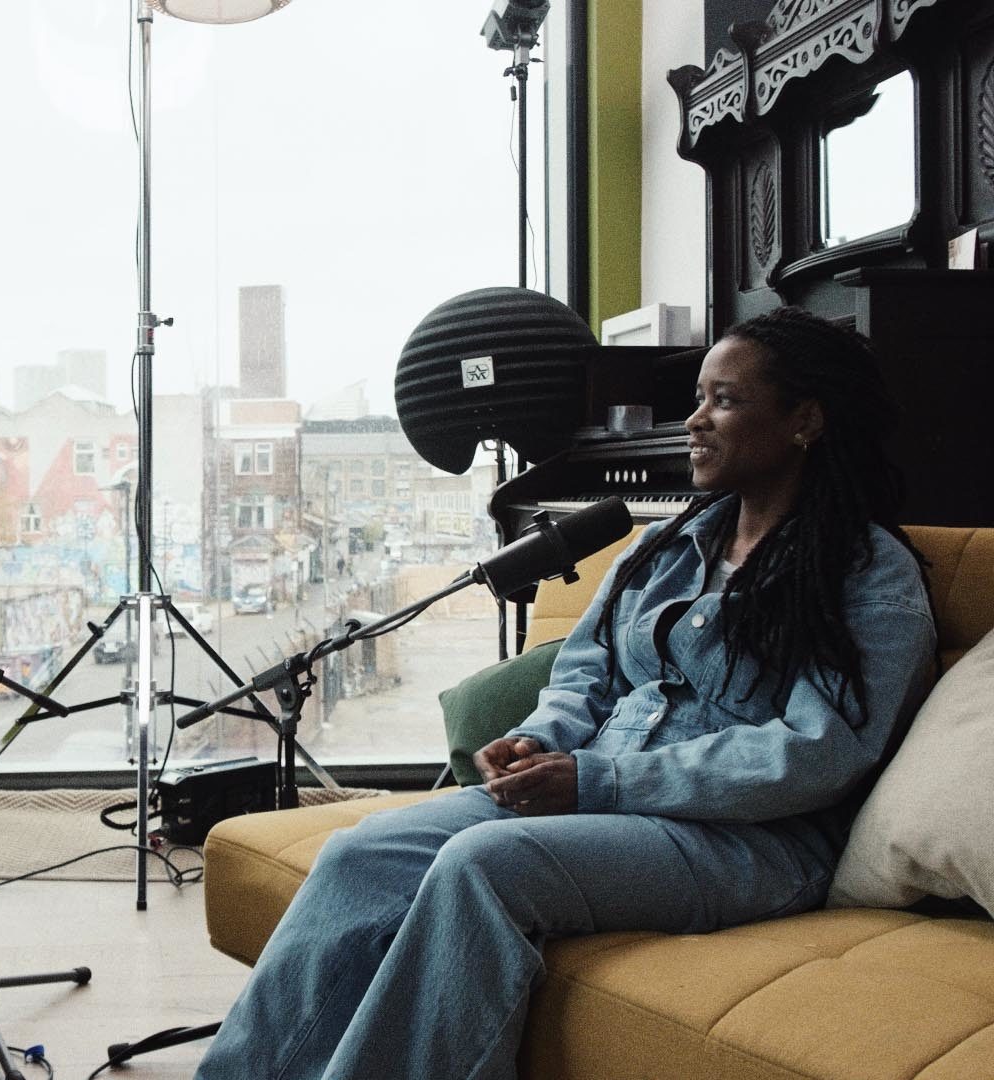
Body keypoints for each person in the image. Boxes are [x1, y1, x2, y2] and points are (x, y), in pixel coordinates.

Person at [194, 306, 938, 1080]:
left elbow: (818, 752)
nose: (694, 421)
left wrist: (598, 778)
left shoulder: (865, 573)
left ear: (805, 421)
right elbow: (586, 669)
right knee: (360, 854)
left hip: (752, 841)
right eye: (698, 396)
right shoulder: (670, 545)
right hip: (603, 795)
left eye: (725, 401)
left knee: (486, 863)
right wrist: (543, 740)